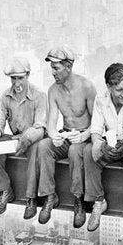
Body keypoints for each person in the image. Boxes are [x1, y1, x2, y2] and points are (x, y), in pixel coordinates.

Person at [37, 46, 96, 227]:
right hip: (67, 133)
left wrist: (84, 134)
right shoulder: (53, 90)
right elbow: (51, 123)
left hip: (85, 136)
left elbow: (98, 122)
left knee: (75, 151)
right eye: (52, 68)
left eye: (56, 68)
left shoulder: (87, 87)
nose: (52, 72)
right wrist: (54, 136)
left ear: (68, 67)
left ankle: (78, 200)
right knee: (44, 146)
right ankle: (49, 196)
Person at [83, 63, 123, 236]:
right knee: (89, 152)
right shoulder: (101, 99)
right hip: (110, 144)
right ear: (109, 87)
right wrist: (99, 144)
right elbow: (95, 129)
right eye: (119, 90)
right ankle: (98, 201)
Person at [0, 56, 47, 218]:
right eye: (13, 79)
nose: (17, 83)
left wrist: (27, 137)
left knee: (35, 151)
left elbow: (40, 126)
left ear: (28, 75)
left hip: (33, 138)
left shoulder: (39, 95)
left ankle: (31, 198)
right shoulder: (6, 96)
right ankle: (6, 189)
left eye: (20, 78)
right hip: (15, 139)